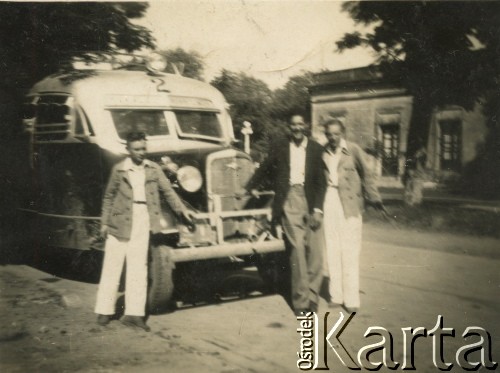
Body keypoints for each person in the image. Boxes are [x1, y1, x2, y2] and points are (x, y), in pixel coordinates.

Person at [95, 131, 193, 331]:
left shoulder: (153, 169)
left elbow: (168, 192)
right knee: (113, 265)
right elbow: (108, 197)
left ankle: (134, 314)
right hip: (120, 220)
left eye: (143, 149)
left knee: (138, 267)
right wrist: (104, 223)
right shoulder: (119, 170)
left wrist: (183, 211)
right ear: (128, 150)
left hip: (143, 219)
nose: (141, 153)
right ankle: (104, 311)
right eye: (136, 149)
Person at [247, 115, 326, 315]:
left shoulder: (316, 149)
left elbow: (321, 182)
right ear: (289, 128)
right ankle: (301, 303)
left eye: (301, 124)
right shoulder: (281, 146)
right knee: (297, 251)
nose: (297, 128)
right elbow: (265, 168)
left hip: (310, 200)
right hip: (289, 199)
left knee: (315, 254)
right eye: (293, 125)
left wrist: (317, 209)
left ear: (306, 126)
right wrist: (250, 186)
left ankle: (312, 297)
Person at [322, 119, 385, 313]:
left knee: (349, 250)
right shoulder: (323, 152)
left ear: (343, 133)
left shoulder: (353, 149)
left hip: (349, 204)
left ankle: (351, 299)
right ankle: (335, 295)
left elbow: (367, 175)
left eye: (336, 134)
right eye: (329, 134)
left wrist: (374, 198)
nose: (332, 137)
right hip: (329, 200)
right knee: (332, 248)